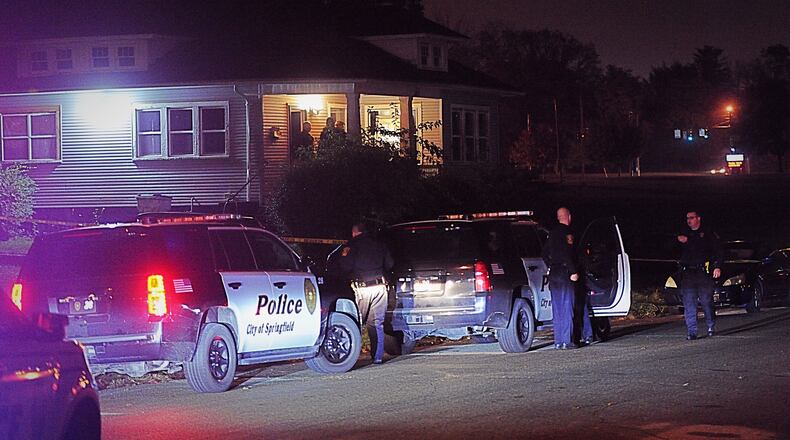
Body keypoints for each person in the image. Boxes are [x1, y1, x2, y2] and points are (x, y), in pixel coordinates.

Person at [336, 221, 394, 364]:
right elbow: (390, 264)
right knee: (377, 323)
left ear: (354, 232)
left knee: (355, 322)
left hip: (362, 288)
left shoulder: (352, 245)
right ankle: (378, 357)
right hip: (380, 287)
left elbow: (344, 266)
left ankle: (350, 357)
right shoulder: (379, 244)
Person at [676, 210, 723, 340]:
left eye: (691, 218)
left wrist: (717, 266)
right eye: (687, 218)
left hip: (703, 272)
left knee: (706, 301)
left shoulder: (707, 233)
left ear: (698, 218)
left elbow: (718, 251)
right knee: (689, 303)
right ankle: (692, 331)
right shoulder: (683, 233)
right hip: (688, 274)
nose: (689, 220)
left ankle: (710, 326)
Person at [542, 207, 583, 350]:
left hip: (554, 272)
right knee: (567, 307)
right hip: (565, 272)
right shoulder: (567, 233)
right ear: (568, 216)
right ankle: (567, 341)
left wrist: (550, 266)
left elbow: (544, 253)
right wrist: (573, 271)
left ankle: (558, 341)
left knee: (557, 308)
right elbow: (567, 253)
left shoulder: (552, 233)